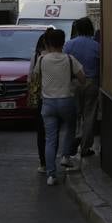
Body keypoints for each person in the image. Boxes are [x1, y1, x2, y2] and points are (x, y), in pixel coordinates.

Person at [39, 28, 86, 185]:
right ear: (63, 42)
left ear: (48, 42)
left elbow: (34, 76)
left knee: (50, 139)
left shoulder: (41, 60)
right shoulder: (69, 59)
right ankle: (66, 156)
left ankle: (51, 175)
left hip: (48, 103)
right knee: (70, 127)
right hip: (66, 100)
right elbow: (82, 78)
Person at [64, 17, 100, 157]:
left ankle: (74, 139)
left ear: (77, 29)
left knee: (74, 116)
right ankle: (85, 147)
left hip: (73, 83)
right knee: (89, 115)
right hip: (91, 82)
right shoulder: (96, 46)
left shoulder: (69, 45)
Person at [28, 32, 49, 173]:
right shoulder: (63, 56)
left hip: (42, 99)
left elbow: (31, 79)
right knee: (54, 134)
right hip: (59, 98)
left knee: (42, 133)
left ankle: (44, 163)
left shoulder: (36, 57)